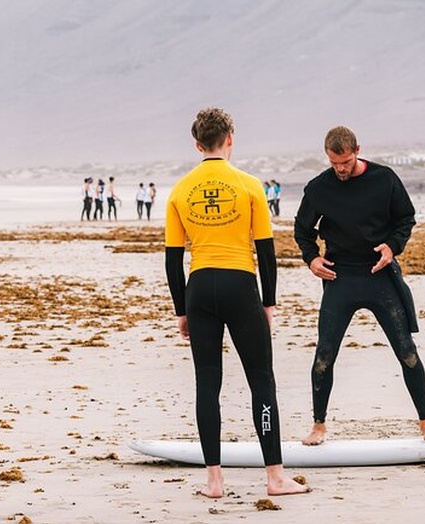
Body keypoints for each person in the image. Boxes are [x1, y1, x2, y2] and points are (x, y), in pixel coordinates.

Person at [164, 107, 310, 498]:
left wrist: (181, 310)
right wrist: (268, 302)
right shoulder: (249, 185)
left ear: (197, 145)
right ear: (230, 138)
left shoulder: (180, 191)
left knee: (207, 384)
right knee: (261, 381)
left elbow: (172, 259)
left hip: (199, 288)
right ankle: (275, 477)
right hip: (241, 286)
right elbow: (266, 252)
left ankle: (214, 481)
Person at [293, 126, 425, 446]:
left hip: (379, 276)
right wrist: (312, 259)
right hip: (340, 278)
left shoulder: (384, 179)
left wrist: (392, 246)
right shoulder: (319, 188)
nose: (341, 169)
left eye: (345, 162)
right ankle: (318, 427)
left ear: (357, 150)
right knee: (324, 355)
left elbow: (406, 219)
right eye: (334, 164)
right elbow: (302, 230)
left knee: (407, 352)